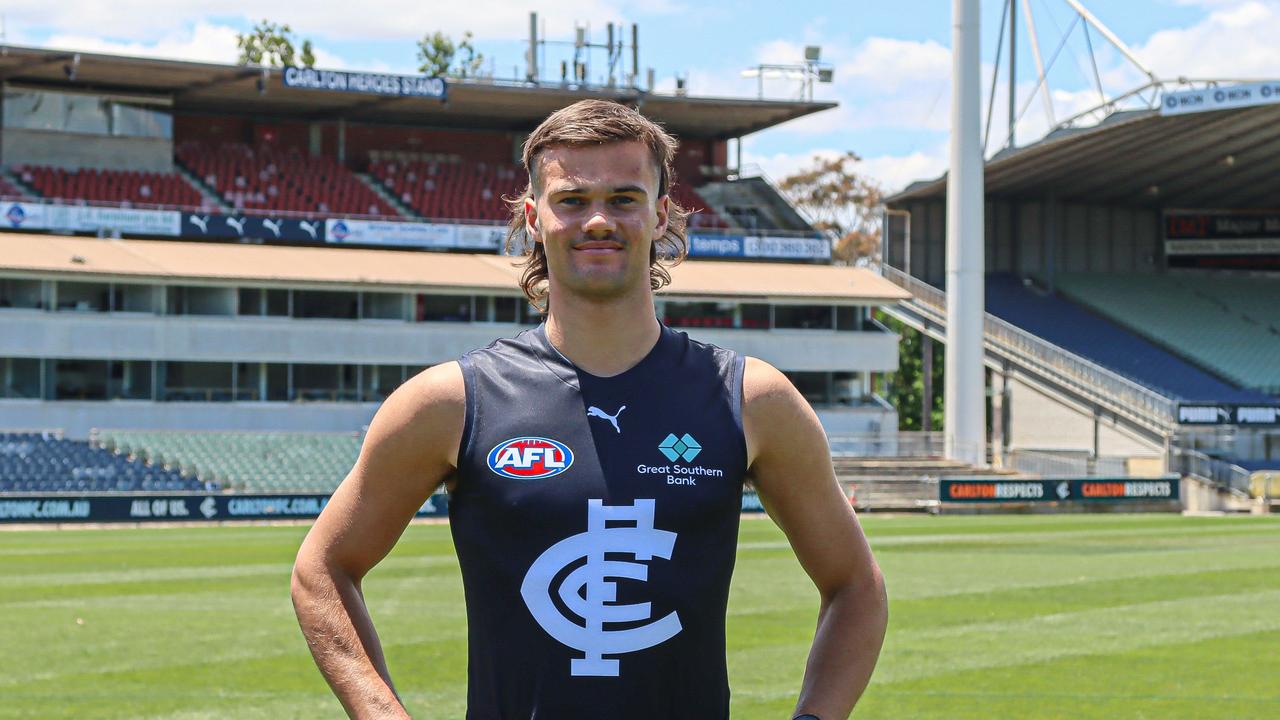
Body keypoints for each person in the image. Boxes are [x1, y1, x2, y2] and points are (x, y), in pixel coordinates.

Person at [291, 99, 887, 719]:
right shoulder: (450, 401)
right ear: (533, 218)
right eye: (572, 200)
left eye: (624, 199)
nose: (598, 220)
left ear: (660, 217)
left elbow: (856, 586)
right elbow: (323, 570)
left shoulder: (749, 398)